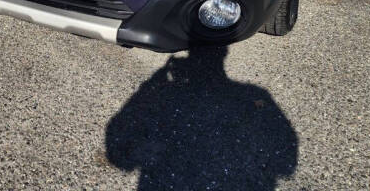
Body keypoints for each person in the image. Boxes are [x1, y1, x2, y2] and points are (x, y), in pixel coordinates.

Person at [106, 47, 298, 190]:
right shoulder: (256, 94)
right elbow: (286, 163)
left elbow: (120, 154)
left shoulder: (256, 94)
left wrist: (154, 82)